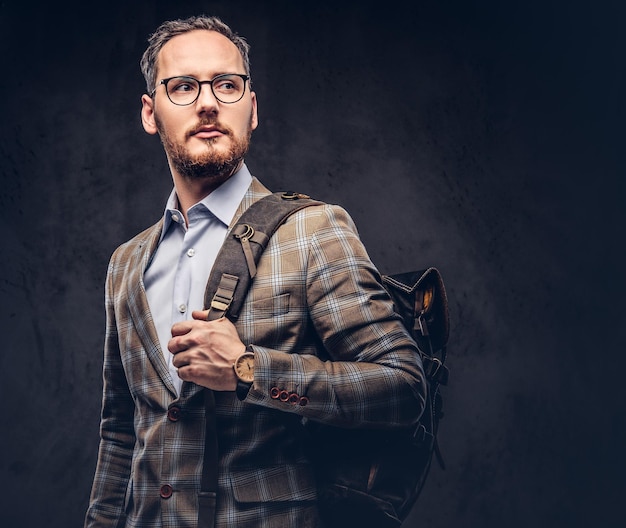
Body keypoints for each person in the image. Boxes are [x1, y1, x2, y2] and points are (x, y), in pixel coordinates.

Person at [85, 15, 427, 528]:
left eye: (227, 84)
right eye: (182, 86)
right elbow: (119, 433)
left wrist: (249, 369)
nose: (207, 102)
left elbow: (402, 390)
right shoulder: (126, 264)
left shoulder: (313, 232)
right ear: (150, 112)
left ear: (252, 108)